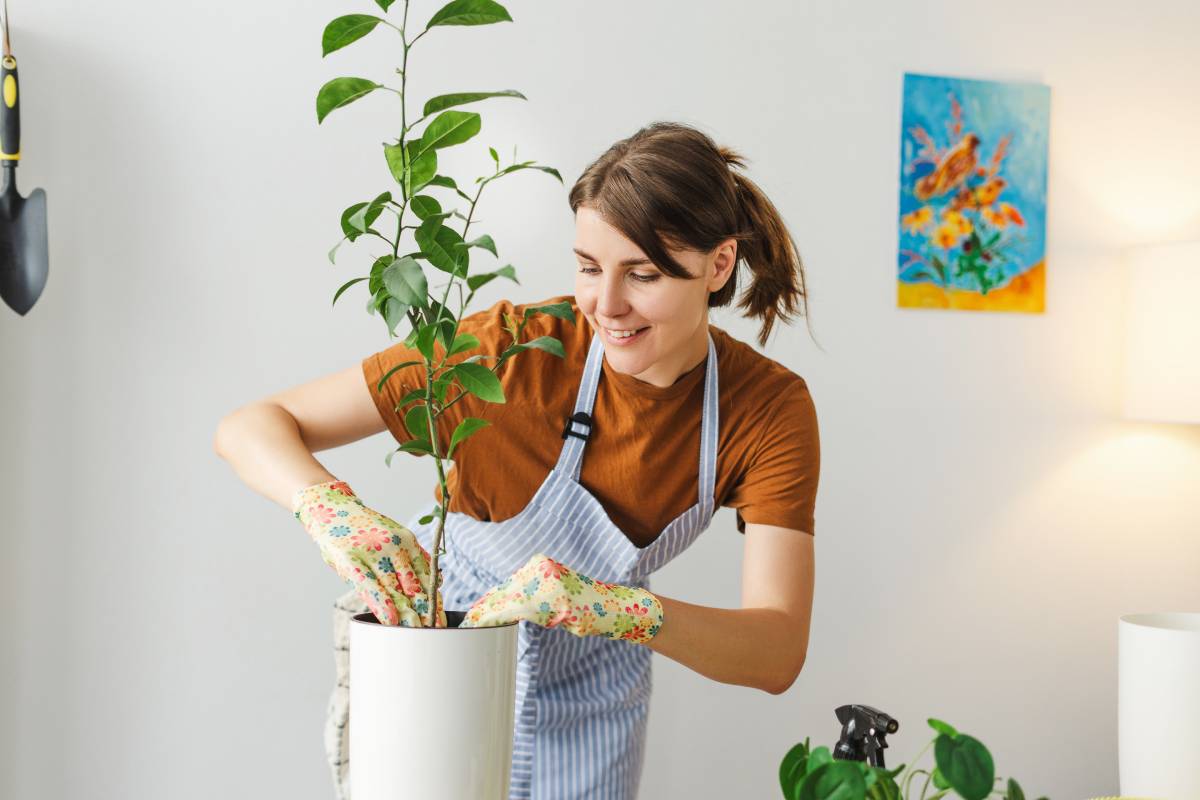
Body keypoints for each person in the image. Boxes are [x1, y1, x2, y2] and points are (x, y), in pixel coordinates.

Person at [215, 120, 819, 800]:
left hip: (597, 693)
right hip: (440, 658)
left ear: (719, 263)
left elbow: (777, 651)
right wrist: (331, 509)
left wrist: (617, 610)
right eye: (589, 268)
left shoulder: (766, 410)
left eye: (642, 274)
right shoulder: (515, 350)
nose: (607, 305)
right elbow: (252, 427)